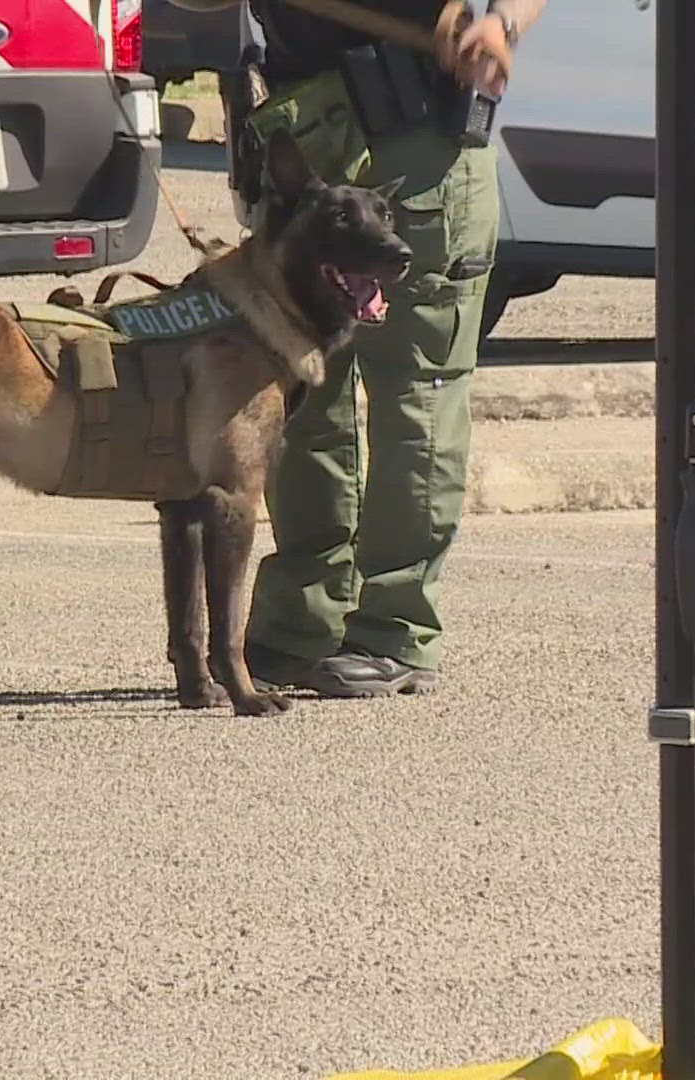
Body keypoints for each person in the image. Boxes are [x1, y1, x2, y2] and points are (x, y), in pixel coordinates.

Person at [238, 0, 548, 697]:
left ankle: (396, 631)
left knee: (418, 397)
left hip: (418, 146)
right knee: (303, 393)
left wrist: (498, 24)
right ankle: (302, 623)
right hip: (306, 143)